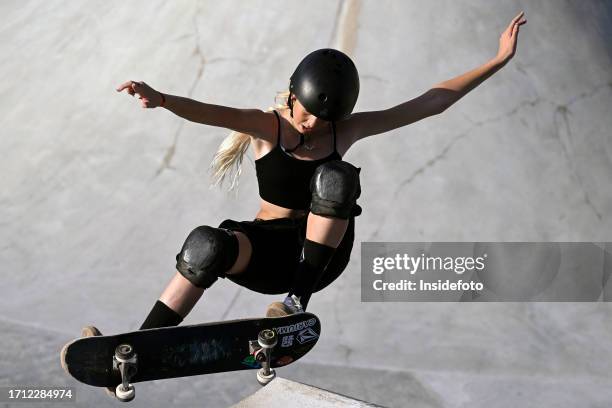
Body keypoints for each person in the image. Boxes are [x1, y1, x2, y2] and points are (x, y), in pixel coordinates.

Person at [62, 11, 526, 397]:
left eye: (323, 122)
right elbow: (209, 111)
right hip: (267, 252)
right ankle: (140, 347)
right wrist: (161, 99)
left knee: (337, 178)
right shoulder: (269, 126)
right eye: (305, 114)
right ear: (292, 95)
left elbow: (428, 103)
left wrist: (498, 60)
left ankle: (294, 303)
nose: (310, 125)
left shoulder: (346, 131)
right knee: (206, 244)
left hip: (319, 259)